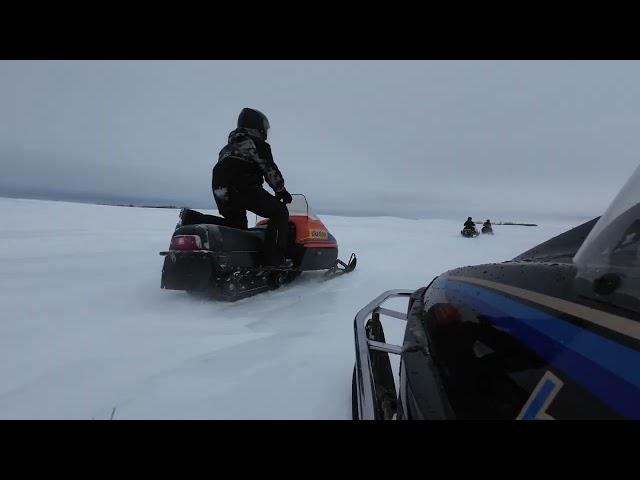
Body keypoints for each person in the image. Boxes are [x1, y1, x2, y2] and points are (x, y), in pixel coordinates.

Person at [212, 108, 293, 268]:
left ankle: (193, 220)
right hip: (242, 186)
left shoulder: (227, 147)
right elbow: (269, 169)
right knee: (280, 212)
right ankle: (275, 260)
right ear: (257, 126)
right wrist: (281, 191)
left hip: (220, 189)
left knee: (235, 227)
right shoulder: (256, 144)